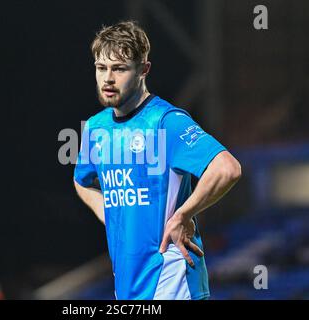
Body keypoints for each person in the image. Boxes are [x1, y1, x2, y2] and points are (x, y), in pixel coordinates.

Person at [73, 21, 241, 300]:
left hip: (172, 280)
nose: (108, 79)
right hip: (127, 284)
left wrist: (182, 215)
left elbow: (227, 168)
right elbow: (82, 182)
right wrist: (111, 214)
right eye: (101, 68)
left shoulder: (166, 122)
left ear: (143, 70)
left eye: (120, 68)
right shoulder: (95, 128)